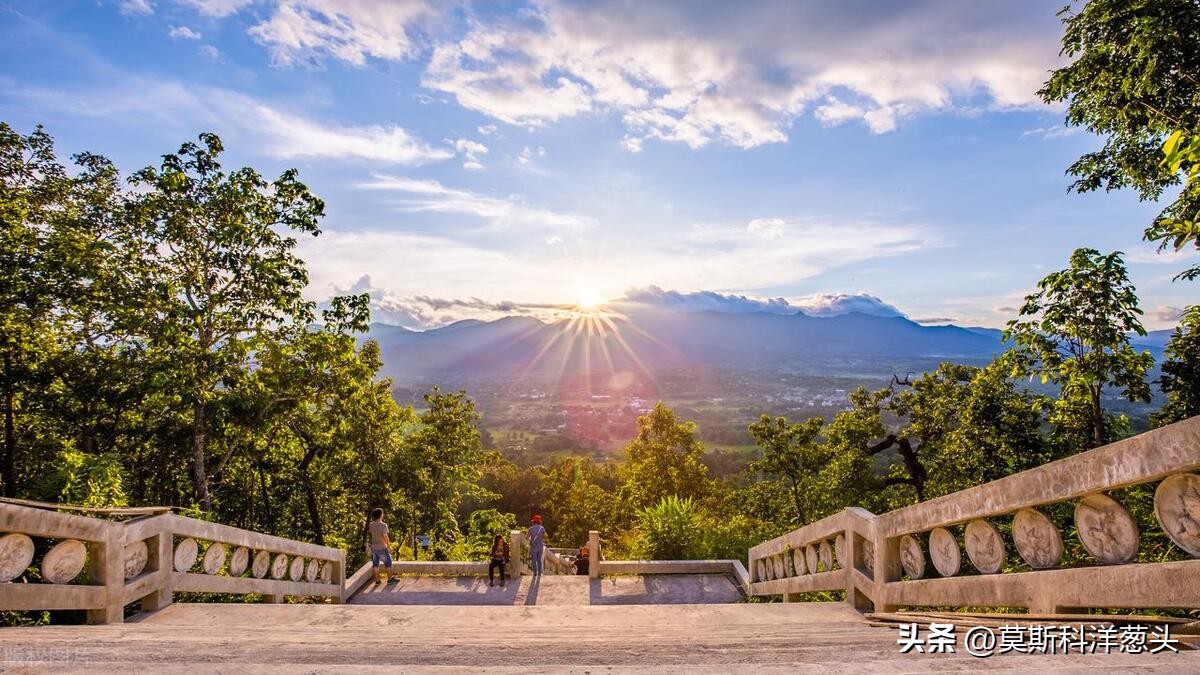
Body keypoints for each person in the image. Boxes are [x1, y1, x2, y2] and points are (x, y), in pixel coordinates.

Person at [367, 508, 392, 585]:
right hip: (382, 547)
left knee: (375, 564)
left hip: (374, 547)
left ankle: (377, 581)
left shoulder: (371, 524)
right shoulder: (384, 525)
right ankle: (390, 580)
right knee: (388, 563)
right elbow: (385, 536)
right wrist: (388, 546)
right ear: (381, 515)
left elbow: (372, 534)